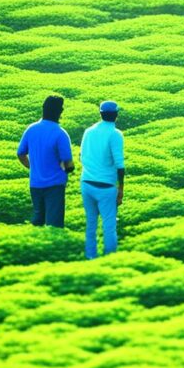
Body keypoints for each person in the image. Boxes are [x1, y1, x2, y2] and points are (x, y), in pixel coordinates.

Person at [17, 95, 74, 228]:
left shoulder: (31, 129)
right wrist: (67, 169)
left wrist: (33, 167)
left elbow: (20, 154)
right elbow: (68, 164)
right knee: (54, 225)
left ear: (44, 109)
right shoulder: (61, 134)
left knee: (38, 221)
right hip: (55, 185)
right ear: (60, 112)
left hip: (35, 184)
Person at [79, 101, 125, 260]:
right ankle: (109, 260)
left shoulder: (88, 131)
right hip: (106, 187)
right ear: (116, 115)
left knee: (91, 224)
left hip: (87, 183)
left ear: (101, 113)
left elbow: (81, 157)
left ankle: (90, 258)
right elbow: (120, 165)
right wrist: (121, 190)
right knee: (109, 226)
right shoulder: (115, 134)